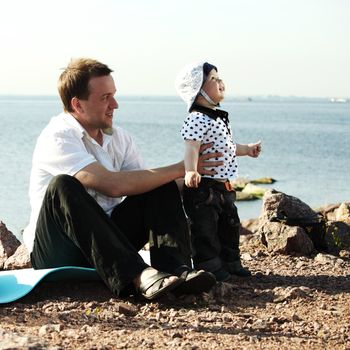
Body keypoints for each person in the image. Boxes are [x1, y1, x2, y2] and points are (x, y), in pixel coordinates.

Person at [23, 58, 220, 300]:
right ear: (78, 105)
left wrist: (197, 172)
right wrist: (182, 167)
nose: (114, 104)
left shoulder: (119, 138)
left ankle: (176, 270)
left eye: (113, 95)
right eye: (104, 98)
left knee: (159, 183)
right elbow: (113, 185)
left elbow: (144, 187)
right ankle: (138, 276)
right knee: (62, 186)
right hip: (59, 249)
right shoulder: (57, 136)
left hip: (107, 241)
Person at [175, 61, 262, 281]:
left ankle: (231, 263)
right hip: (203, 187)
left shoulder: (218, 118)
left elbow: (228, 147)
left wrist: (247, 149)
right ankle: (210, 268)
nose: (220, 82)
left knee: (230, 225)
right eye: (213, 79)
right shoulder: (197, 118)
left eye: (218, 77)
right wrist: (190, 171)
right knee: (205, 229)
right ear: (198, 89)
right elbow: (191, 146)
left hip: (224, 185)